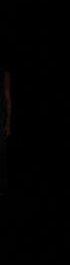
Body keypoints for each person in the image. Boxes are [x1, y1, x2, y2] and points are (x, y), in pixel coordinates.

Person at [0, 64, 10, 196]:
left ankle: (3, 186)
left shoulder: (5, 74)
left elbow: (8, 98)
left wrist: (8, 123)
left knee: (1, 153)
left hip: (0, 119)